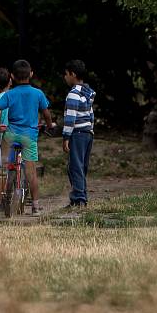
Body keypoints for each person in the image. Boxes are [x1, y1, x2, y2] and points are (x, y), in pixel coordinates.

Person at [0, 60, 55, 214]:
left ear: (12, 76)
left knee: (3, 166)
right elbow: (46, 113)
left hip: (10, 136)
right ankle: (35, 206)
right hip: (29, 137)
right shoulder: (38, 93)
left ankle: (3, 188)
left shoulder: (10, 94)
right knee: (31, 173)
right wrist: (50, 126)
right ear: (31, 74)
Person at [62, 59, 96, 208]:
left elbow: (70, 118)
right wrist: (91, 130)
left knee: (75, 166)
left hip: (77, 133)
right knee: (81, 166)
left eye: (66, 74)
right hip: (88, 133)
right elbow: (91, 114)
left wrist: (66, 137)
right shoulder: (87, 93)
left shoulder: (73, 94)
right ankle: (80, 197)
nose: (65, 77)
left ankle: (79, 198)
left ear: (73, 74)